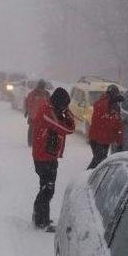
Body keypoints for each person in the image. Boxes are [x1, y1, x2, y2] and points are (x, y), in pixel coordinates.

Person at [31, 87, 75, 232]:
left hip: (49, 156)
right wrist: (66, 112)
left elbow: (70, 127)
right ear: (58, 102)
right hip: (43, 157)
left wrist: (65, 111)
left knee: (47, 188)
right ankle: (40, 221)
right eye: (64, 105)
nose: (64, 108)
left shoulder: (53, 109)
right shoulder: (47, 112)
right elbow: (66, 129)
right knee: (47, 189)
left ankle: (41, 217)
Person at [87, 84, 124, 169]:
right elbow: (116, 125)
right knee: (98, 162)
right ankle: (86, 178)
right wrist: (120, 142)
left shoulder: (100, 103)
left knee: (97, 160)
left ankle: (89, 177)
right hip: (102, 140)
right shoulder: (111, 106)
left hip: (94, 138)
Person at [24, 79, 51, 147]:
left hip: (42, 116)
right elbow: (28, 102)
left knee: (41, 129)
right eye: (41, 85)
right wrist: (27, 111)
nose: (42, 87)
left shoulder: (46, 94)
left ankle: (39, 142)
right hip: (33, 115)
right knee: (32, 129)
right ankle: (30, 143)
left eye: (43, 85)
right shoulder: (33, 93)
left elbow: (50, 104)